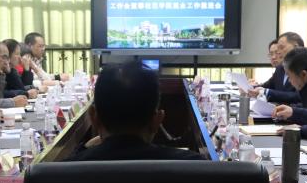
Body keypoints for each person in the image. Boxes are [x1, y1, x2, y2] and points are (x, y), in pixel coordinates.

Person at [65, 62, 204, 162]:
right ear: (157, 120)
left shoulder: (64, 172)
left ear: (93, 117)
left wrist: (84, 149)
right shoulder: (194, 165)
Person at [250, 32, 307, 105]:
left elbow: (299, 96)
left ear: (296, 47)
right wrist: (250, 88)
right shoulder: (280, 68)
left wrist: (266, 92)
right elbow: (267, 86)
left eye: (281, 48)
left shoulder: (306, 67)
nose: (279, 52)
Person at [269, 48, 307, 122]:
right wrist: (290, 109)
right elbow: (306, 106)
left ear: (304, 75)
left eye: (289, 75)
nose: (289, 80)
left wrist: (294, 112)